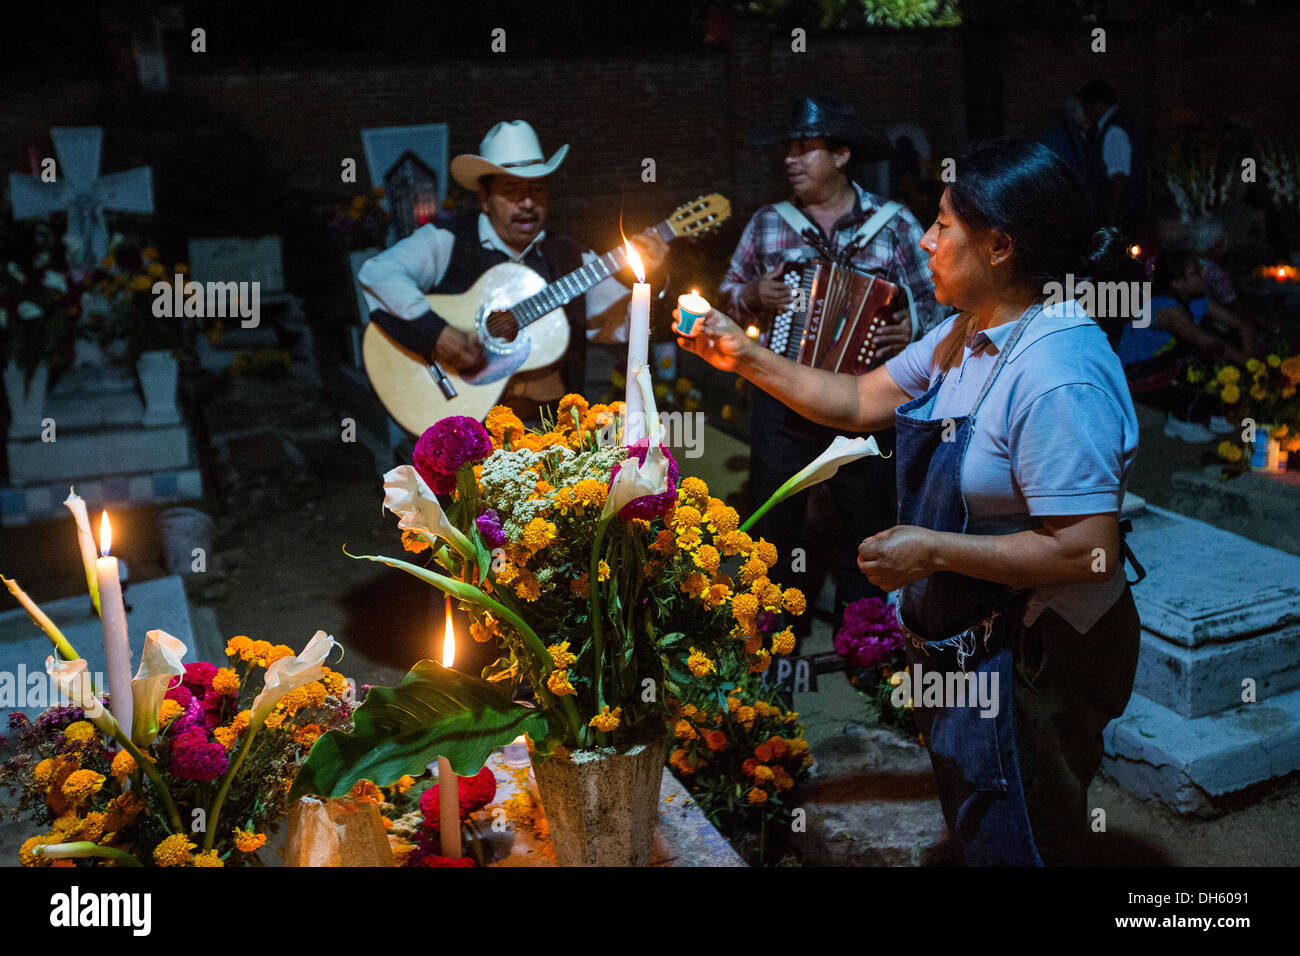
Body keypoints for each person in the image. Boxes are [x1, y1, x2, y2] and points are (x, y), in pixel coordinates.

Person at [679, 138, 1143, 866]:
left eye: (942, 224)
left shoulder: (1058, 372)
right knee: (979, 814)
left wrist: (929, 550)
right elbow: (861, 398)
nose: (925, 240)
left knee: (1021, 827)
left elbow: (1086, 552)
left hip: (1037, 654)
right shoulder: (968, 333)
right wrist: (743, 354)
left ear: (999, 246)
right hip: (971, 633)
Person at [720, 94, 944, 637]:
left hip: (866, 397)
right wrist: (751, 292)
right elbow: (727, 295)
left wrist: (910, 327)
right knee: (773, 523)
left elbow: (941, 301)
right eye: (788, 150)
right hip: (782, 398)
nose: (790, 160)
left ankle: (861, 638)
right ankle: (768, 638)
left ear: (842, 156)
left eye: (804, 149)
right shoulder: (769, 224)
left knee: (866, 525)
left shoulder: (893, 226)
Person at [358, 119, 667, 422]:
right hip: (466, 429)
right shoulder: (446, 240)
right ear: (484, 196)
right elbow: (378, 273)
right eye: (511, 190)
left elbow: (625, 324)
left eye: (537, 189)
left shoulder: (571, 257)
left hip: (552, 429)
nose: (528, 202)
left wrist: (651, 279)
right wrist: (437, 334)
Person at [1117, 248, 1255, 442]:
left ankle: (1213, 409)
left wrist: (1250, 362)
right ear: (1177, 283)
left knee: (1225, 341)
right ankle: (1184, 417)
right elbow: (1204, 341)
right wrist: (1255, 368)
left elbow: (1243, 324)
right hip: (1137, 373)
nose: (1204, 275)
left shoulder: (1197, 300)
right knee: (1198, 351)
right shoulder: (1164, 307)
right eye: (1196, 273)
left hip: (1164, 363)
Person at [1079, 79, 1146, 234]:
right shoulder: (1122, 122)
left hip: (1122, 214)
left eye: (1087, 107)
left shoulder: (1113, 130)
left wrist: (1111, 218)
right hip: (1127, 210)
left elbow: (1118, 179)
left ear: (1096, 104)